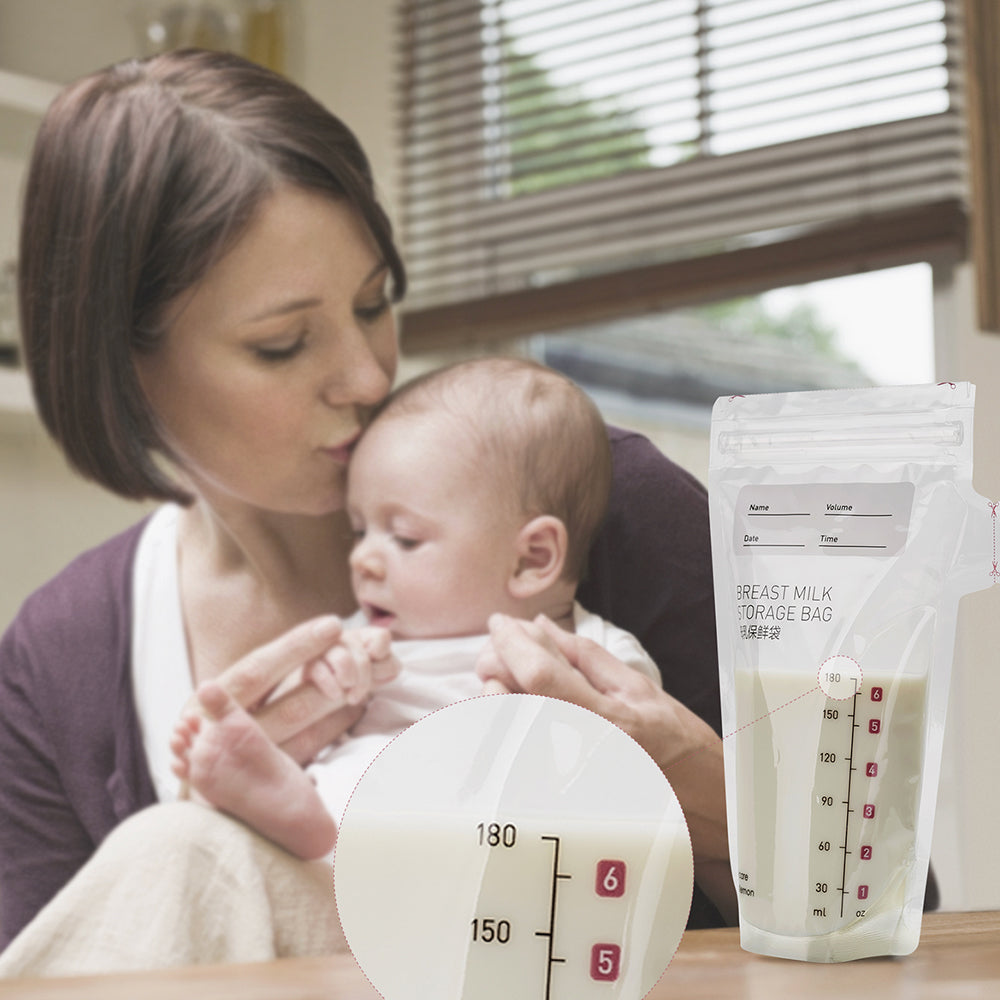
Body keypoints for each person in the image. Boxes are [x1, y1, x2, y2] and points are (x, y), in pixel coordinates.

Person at [0, 48, 730, 976]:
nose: (367, 375)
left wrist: (695, 791)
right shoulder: (58, 661)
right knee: (178, 848)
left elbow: (887, 905)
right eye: (283, 344)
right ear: (125, 367)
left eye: (374, 302)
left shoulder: (587, 506)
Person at [171, 357, 665, 862]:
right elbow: (301, 716)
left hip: (497, 862)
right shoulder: (361, 639)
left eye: (404, 538)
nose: (362, 559)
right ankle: (291, 811)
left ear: (531, 558)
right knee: (353, 770)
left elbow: (634, 769)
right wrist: (325, 677)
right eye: (359, 531)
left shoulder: (595, 655)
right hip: (352, 836)